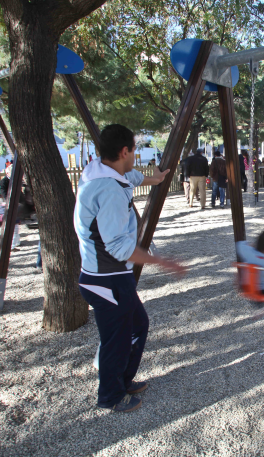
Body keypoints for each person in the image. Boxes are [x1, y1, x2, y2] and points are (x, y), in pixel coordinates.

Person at [74, 124, 186, 413]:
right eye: (134, 150)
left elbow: (131, 176)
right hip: (105, 279)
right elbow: (118, 247)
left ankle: (123, 380)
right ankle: (110, 395)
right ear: (125, 151)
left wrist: (155, 178)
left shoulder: (99, 170)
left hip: (110, 276)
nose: (136, 155)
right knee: (117, 340)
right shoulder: (109, 191)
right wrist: (163, 262)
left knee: (137, 326)